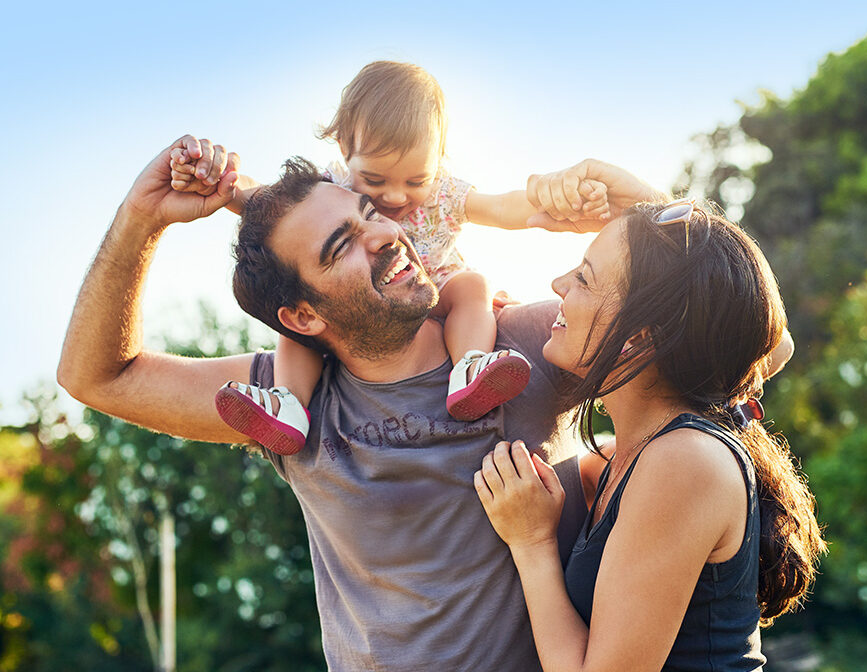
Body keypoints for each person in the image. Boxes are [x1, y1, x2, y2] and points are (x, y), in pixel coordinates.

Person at [58, 137, 655, 671]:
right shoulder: (286, 403)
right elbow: (98, 376)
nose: (385, 235)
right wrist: (142, 218)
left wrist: (647, 206)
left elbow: (708, 316)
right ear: (303, 317)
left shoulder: (526, 345)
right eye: (342, 245)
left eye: (368, 214)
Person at [169, 61, 610, 455]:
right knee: (303, 323)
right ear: (344, 148)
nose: (396, 196)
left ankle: (470, 366)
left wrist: (553, 203)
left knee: (472, 286)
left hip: (433, 291)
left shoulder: (443, 194)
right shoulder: (331, 190)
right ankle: (288, 403)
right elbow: (259, 198)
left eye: (416, 179)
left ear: (439, 160)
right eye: (375, 179)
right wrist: (213, 177)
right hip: (364, 305)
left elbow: (500, 207)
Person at [474, 185, 825, 671]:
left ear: (639, 336)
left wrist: (532, 545)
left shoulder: (684, 462)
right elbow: (756, 335)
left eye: (584, 278)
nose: (558, 283)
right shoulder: (632, 456)